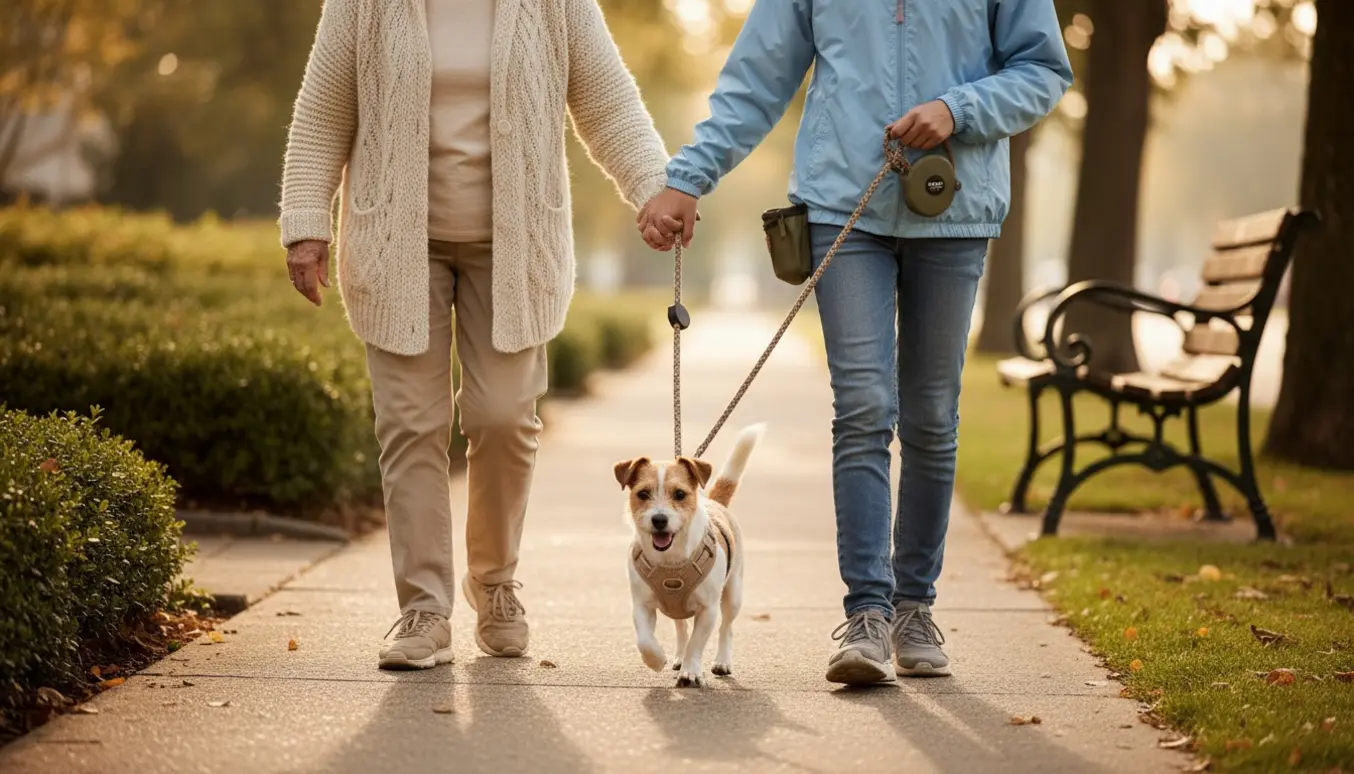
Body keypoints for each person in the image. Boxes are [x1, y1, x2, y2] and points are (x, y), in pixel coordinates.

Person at [640, 0, 1072, 684]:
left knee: (931, 415)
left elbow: (1044, 69)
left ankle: (914, 608)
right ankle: (867, 615)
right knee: (865, 407)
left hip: (954, 208)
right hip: (845, 207)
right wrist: (688, 179)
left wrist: (958, 109)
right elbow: (756, 79)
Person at [279, 0, 670, 669]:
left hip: (514, 245)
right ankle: (424, 610)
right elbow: (323, 111)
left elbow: (607, 103)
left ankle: (494, 585)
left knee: (503, 418)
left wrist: (657, 187)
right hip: (397, 240)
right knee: (410, 422)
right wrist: (307, 219)